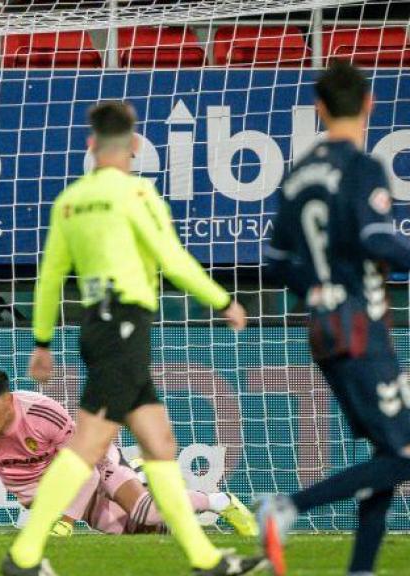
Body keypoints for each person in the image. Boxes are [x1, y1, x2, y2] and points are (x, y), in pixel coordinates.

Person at [3, 101, 261, 576]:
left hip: (97, 327)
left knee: (159, 443)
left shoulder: (71, 201)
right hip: (126, 326)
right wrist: (223, 301)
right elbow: (173, 257)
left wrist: (42, 341)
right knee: (89, 444)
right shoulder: (139, 195)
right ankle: (22, 557)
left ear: (90, 145)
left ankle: (205, 560)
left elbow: (50, 278)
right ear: (135, 144)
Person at [260, 60, 410, 576]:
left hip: (324, 330)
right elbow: (377, 239)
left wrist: (316, 290)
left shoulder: (298, 174)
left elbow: (276, 264)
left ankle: (361, 569)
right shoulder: (363, 167)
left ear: (320, 108)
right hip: (362, 330)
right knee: (405, 453)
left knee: (386, 451)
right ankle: (289, 508)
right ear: (370, 103)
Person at [0, 367, 257, 540]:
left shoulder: (42, 414)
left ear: (8, 400)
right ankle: (142, 476)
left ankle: (220, 502)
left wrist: (65, 522)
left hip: (93, 463)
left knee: (146, 511)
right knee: (132, 530)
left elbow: (86, 471)